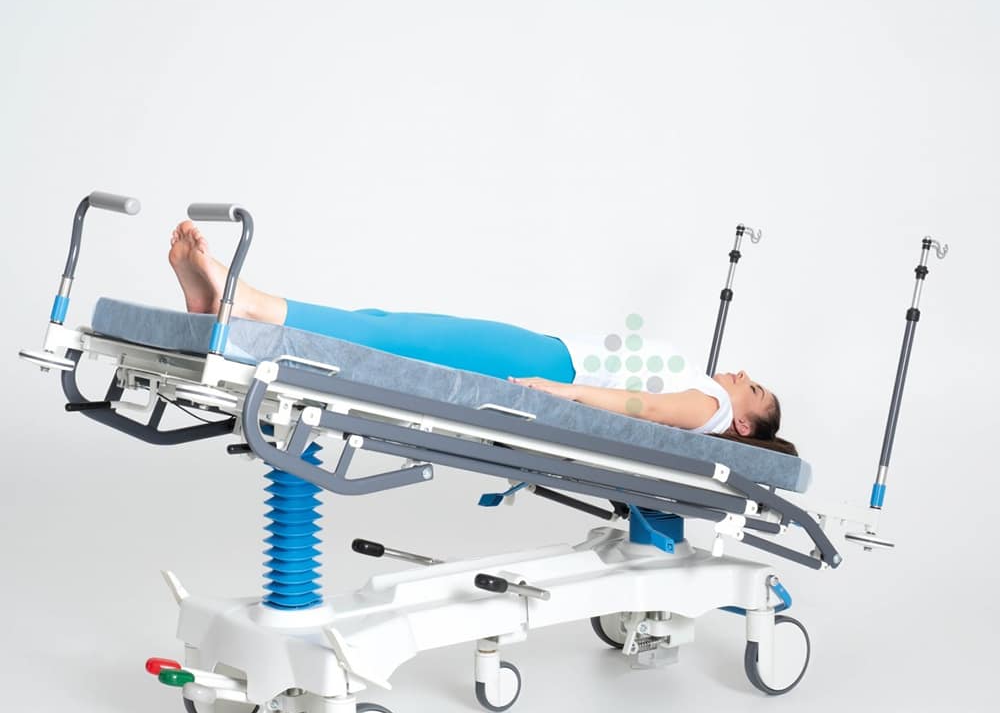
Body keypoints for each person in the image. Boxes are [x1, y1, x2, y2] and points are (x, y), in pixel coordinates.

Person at [168, 221, 796, 455]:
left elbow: (645, 409)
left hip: (550, 366)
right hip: (550, 354)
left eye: (756, 389)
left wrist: (564, 392)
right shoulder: (710, 395)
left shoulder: (710, 407)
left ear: (743, 425)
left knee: (389, 336)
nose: (743, 376)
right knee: (388, 327)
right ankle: (222, 311)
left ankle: (245, 303)